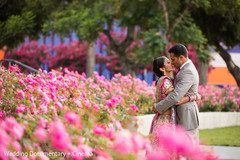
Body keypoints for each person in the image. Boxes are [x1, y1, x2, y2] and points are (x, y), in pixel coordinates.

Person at [153, 44, 200, 144]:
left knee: (189, 150)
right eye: (169, 61)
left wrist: (158, 107)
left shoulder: (187, 71)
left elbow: (176, 97)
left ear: (181, 57)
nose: (172, 63)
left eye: (173, 60)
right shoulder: (184, 70)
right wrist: (193, 97)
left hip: (186, 117)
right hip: (180, 116)